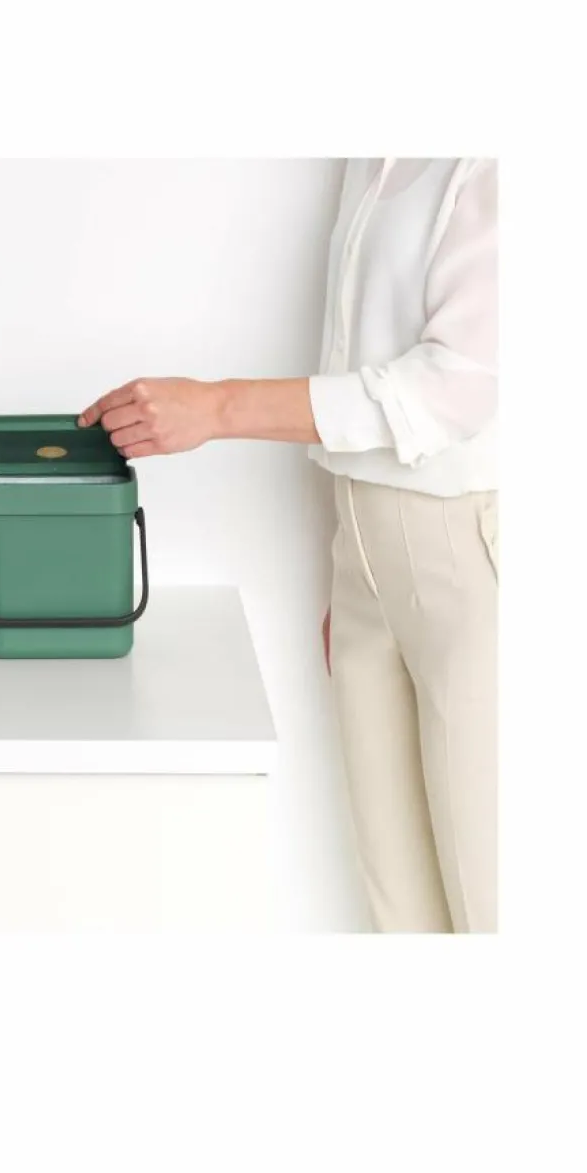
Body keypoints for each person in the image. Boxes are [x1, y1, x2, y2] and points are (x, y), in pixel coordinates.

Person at [79, 158, 498, 934]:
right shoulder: (370, 157)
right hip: (367, 555)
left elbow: (458, 388)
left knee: (491, 896)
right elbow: (360, 357)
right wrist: (358, 565)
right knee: (398, 905)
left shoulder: (494, 162)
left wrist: (218, 408)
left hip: (465, 557)